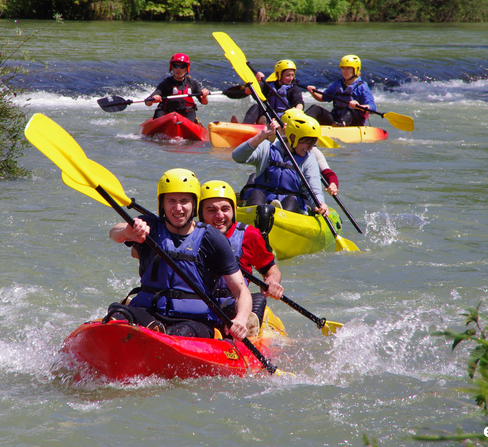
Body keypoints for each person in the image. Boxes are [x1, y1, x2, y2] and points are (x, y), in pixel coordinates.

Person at [107, 168, 252, 340]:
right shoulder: (149, 227)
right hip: (149, 312)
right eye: (171, 201)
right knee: (116, 313)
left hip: (193, 321)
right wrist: (128, 231)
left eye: (184, 201)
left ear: (194, 204)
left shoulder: (212, 238)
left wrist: (241, 320)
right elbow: (114, 234)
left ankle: (156, 335)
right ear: (162, 204)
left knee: (179, 333)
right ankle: (151, 332)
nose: (178, 208)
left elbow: (241, 291)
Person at [198, 180, 284, 337]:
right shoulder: (192, 235)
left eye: (225, 209)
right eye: (211, 210)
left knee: (258, 298)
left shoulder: (249, 236)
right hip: (201, 305)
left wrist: (272, 281)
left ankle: (249, 325)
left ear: (234, 211)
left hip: (235, 306)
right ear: (200, 213)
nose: (219, 216)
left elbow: (271, 269)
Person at [232, 108, 329, 216]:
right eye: (308, 142)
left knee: (290, 201)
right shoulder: (267, 148)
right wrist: (262, 135)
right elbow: (237, 156)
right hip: (262, 206)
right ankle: (258, 223)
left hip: (290, 210)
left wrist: (320, 203)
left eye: (313, 143)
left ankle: (276, 213)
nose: (311, 148)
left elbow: (314, 188)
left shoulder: (309, 159)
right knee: (256, 194)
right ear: (293, 137)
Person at [305, 55, 376, 127]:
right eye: (343, 68)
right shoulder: (337, 84)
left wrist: (358, 106)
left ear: (356, 69)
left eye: (348, 68)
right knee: (315, 108)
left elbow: (372, 107)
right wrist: (313, 92)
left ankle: (342, 124)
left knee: (350, 107)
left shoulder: (362, 87)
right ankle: (300, 122)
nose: (344, 71)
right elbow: (323, 97)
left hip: (354, 122)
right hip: (336, 120)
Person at [144, 53, 210, 123]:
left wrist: (204, 95)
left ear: (186, 68)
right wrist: (154, 99)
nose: (178, 69)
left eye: (182, 67)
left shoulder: (192, 83)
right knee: (159, 112)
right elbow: (147, 102)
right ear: (171, 67)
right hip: (168, 115)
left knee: (192, 112)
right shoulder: (166, 83)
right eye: (175, 66)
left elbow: (204, 102)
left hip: (186, 114)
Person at [241, 60, 304, 124]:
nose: (290, 78)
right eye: (287, 75)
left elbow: (299, 103)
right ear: (278, 74)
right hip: (269, 117)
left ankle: (263, 123)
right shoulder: (269, 86)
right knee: (256, 107)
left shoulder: (294, 89)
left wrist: (296, 111)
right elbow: (248, 91)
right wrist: (256, 80)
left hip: (283, 121)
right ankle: (245, 126)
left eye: (292, 75)